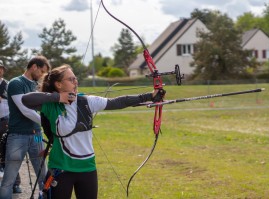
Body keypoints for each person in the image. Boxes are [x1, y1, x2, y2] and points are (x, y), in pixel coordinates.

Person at [21, 64, 165, 199]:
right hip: (61, 168)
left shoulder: (86, 101)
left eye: (75, 78)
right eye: (71, 79)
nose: (75, 82)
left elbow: (118, 102)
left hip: (87, 167)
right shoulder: (51, 106)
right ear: (59, 84)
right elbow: (26, 100)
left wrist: (150, 96)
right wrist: (58, 97)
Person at [0, 56, 51, 199]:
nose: (42, 76)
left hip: (36, 135)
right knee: (9, 180)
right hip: (18, 135)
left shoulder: (35, 85)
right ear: (33, 66)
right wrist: (47, 122)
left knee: (43, 175)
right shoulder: (16, 83)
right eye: (41, 71)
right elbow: (25, 110)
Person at [0, 60, 22, 194]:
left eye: (1, 68)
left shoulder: (9, 85)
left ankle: (15, 183)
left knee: (10, 152)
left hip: (6, 121)